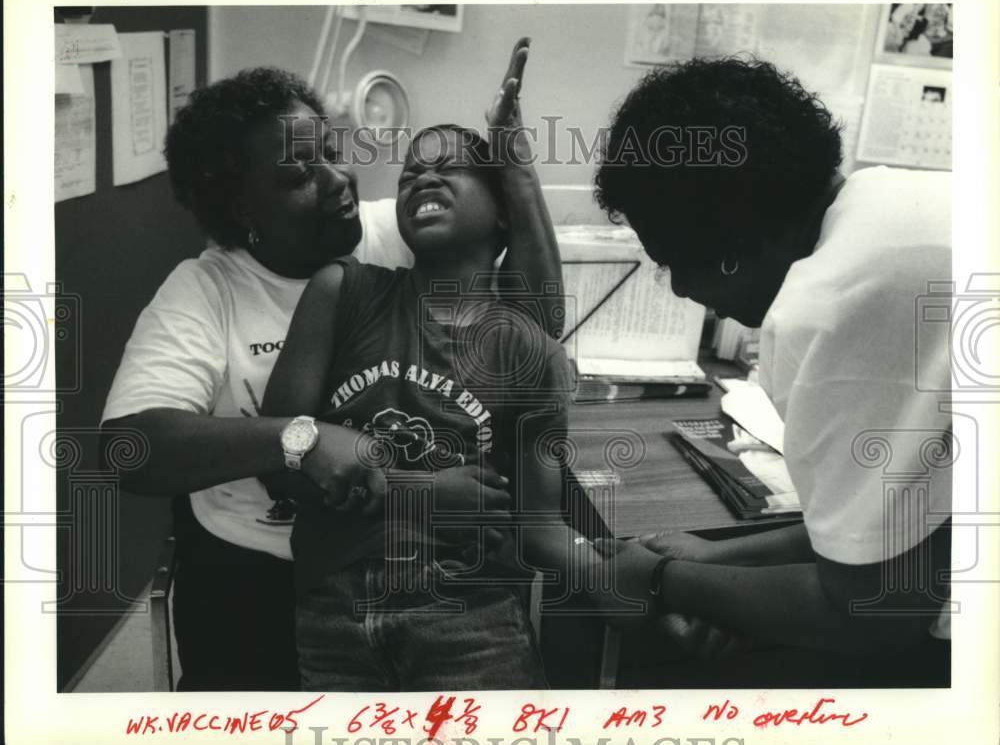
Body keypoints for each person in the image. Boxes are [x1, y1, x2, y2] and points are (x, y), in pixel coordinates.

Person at [100, 41, 565, 691]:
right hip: (257, 576)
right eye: (298, 176)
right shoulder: (204, 291)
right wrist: (305, 438)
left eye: (330, 154)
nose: (339, 181)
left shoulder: (387, 238)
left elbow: (530, 325)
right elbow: (130, 447)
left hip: (418, 564)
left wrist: (512, 168)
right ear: (242, 210)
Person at [591, 57, 952, 686]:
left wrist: (663, 579)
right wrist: (721, 560)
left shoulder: (833, 303)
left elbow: (875, 612)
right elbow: (896, 533)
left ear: (730, 240)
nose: (678, 291)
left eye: (673, 261)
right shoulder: (892, 202)